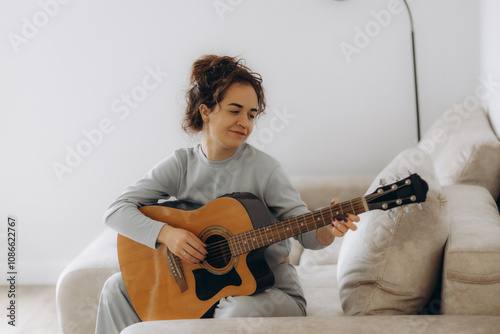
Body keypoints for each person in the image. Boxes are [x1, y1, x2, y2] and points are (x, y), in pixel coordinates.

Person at [95, 54, 359, 334]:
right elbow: (116, 211)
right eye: (235, 111)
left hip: (266, 290)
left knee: (234, 310)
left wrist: (329, 229)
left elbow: (307, 235)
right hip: (200, 292)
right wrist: (168, 234)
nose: (245, 122)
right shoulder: (181, 165)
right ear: (206, 111)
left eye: (252, 114)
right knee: (116, 288)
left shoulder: (265, 169)